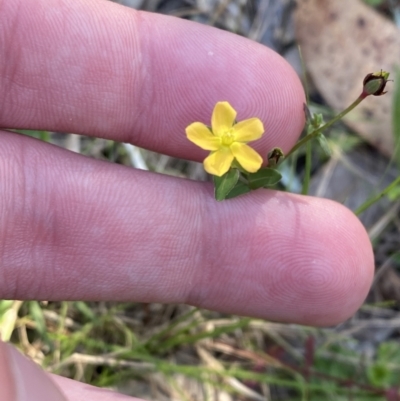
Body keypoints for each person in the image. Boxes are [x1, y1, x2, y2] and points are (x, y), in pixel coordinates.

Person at [0, 0, 374, 399]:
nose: (230, 134)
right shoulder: (215, 138)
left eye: (232, 134)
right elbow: (220, 169)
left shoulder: (243, 147)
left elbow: (238, 167)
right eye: (226, 133)